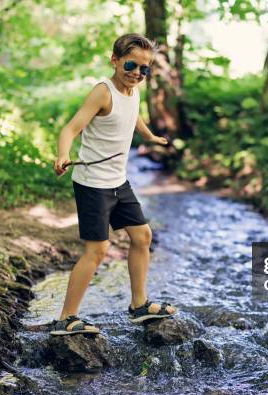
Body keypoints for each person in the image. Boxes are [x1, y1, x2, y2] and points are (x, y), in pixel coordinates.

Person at [50, 33, 177, 336]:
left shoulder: (132, 91)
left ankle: (139, 305)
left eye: (144, 69)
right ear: (115, 60)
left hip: (118, 182)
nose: (137, 73)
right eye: (131, 65)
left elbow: (132, 116)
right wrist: (63, 154)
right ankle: (66, 318)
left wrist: (149, 136)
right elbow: (71, 128)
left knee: (142, 236)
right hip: (93, 184)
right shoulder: (103, 92)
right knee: (97, 250)